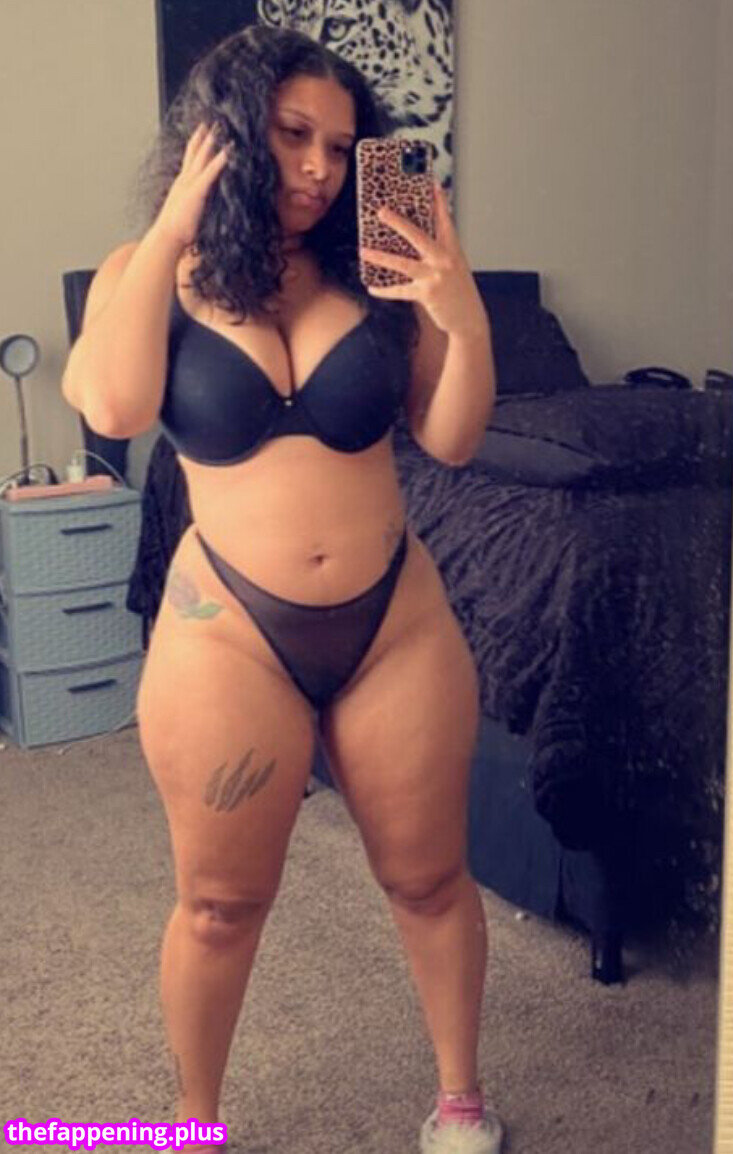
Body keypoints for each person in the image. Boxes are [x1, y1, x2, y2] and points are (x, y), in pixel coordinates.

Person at [61, 25, 502, 1154]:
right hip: (229, 630)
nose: (318, 168)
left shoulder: (382, 273)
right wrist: (173, 228)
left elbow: (452, 440)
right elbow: (112, 408)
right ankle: (192, 1123)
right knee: (219, 905)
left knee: (429, 878)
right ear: (222, 132)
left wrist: (459, 310)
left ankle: (460, 1099)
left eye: (341, 147)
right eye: (292, 134)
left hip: (394, 621)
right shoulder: (144, 269)